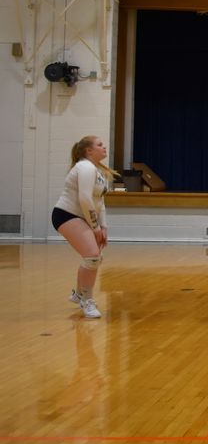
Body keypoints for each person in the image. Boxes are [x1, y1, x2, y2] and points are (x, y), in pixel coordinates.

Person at [51, 136, 116, 318]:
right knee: (92, 256)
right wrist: (94, 228)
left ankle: (79, 294)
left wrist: (103, 227)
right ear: (89, 151)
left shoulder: (97, 171)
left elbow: (99, 201)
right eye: (100, 145)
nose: (104, 147)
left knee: (94, 257)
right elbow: (84, 199)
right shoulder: (85, 167)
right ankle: (86, 301)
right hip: (66, 215)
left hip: (82, 217)